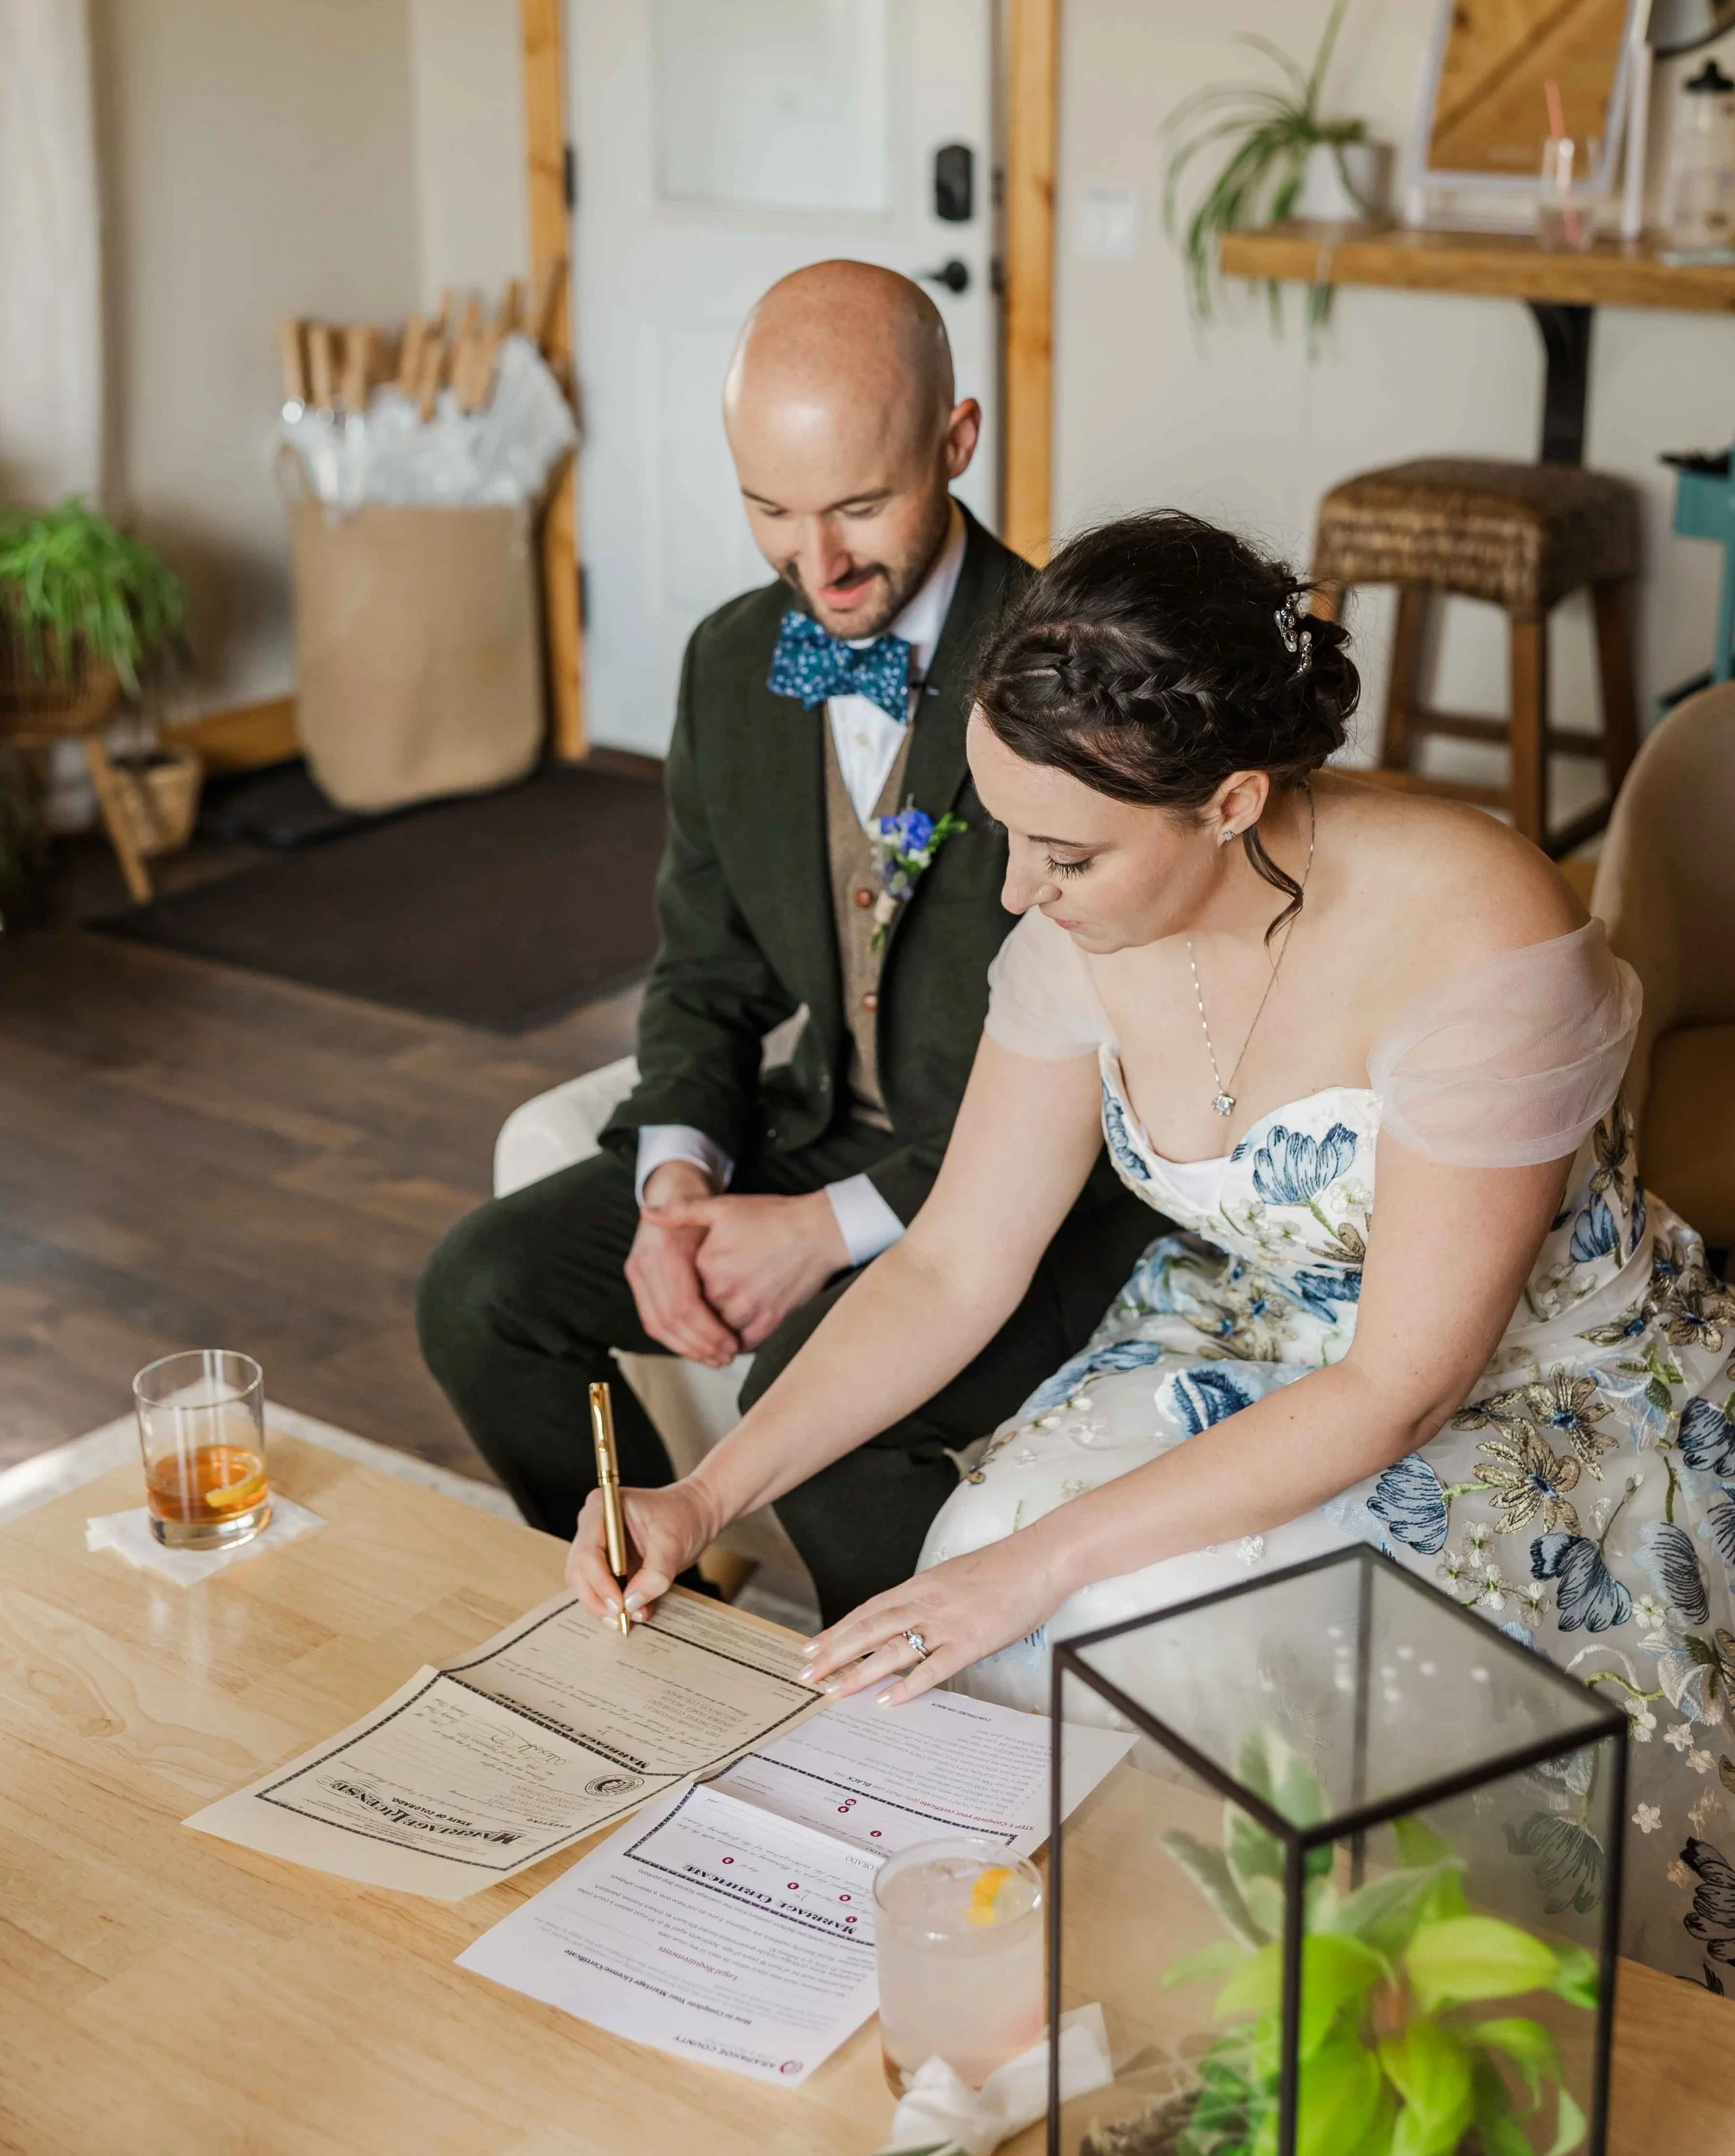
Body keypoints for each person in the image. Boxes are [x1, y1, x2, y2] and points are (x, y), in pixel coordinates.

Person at [567, 508, 1735, 1983]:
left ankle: (1265, 2002)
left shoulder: (1472, 921)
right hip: (1244, 1330)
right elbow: (949, 1262)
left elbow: (1403, 1389)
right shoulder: (1075, 927)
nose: (1014, 893)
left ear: (1230, 800)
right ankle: (1053, 1986)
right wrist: (702, 1496)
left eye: (1062, 855)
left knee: (1138, 1615)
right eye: (1006, 832)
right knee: (977, 1544)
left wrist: (1040, 1569)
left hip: (1520, 1382)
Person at [416, 262, 1153, 1623]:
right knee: (480, 1292)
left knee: (818, 1423)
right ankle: (675, 1620)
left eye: (860, 507)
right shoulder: (728, 662)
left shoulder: (1083, 672)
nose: (817, 565)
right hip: (821, 1125)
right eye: (770, 509)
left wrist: (824, 1229)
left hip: (1038, 1184)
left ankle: (898, 1719)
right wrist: (673, 1187)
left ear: (957, 442)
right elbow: (706, 970)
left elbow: (1130, 1049)